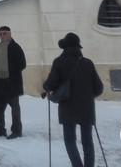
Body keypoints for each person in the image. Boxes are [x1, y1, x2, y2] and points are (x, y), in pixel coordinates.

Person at [43, 32, 104, 167]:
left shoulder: (59, 62)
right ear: (78, 47)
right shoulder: (88, 63)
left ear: (64, 47)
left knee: (70, 140)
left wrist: (46, 86)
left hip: (67, 106)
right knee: (87, 141)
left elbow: (51, 84)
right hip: (87, 108)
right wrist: (87, 96)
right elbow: (99, 88)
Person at [0, 25, 26, 138]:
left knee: (15, 109)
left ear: (10, 34)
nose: (2, 35)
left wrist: (10, 71)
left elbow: (22, 64)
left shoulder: (16, 47)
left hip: (12, 84)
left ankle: (16, 130)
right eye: (0, 34)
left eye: (5, 33)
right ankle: (0, 130)